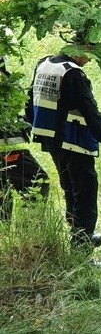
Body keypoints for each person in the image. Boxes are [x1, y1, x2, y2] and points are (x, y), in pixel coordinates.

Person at [24, 34, 101, 249]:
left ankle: (77, 238)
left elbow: (30, 100)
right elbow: (92, 112)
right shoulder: (73, 74)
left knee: (69, 189)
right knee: (85, 193)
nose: (90, 60)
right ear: (82, 47)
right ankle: (82, 247)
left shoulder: (43, 64)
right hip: (74, 141)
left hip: (51, 139)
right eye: (90, 53)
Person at [0, 55, 50, 220]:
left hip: (9, 143)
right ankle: (29, 233)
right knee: (37, 182)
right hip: (7, 146)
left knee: (4, 192)